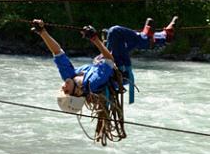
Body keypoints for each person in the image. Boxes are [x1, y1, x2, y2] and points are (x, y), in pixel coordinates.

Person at [31, 16, 178, 112]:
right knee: (115, 32)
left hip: (105, 59)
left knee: (116, 37)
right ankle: (147, 37)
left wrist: (42, 32)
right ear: (77, 93)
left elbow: (58, 52)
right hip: (120, 67)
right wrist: (94, 39)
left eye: (62, 90)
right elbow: (109, 60)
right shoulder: (93, 84)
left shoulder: (69, 77)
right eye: (66, 91)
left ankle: (163, 37)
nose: (63, 87)